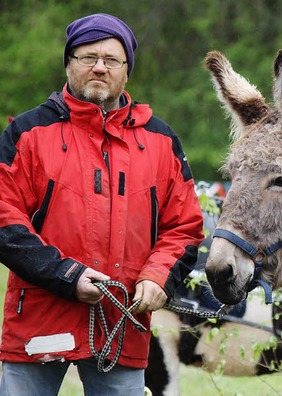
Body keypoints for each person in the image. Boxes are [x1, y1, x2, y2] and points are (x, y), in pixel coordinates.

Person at [0, 13, 204, 396]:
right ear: (68, 64)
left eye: (111, 59)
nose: (99, 67)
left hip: (122, 324)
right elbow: (4, 218)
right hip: (39, 323)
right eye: (87, 57)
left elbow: (185, 227)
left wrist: (158, 276)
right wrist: (66, 275)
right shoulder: (27, 134)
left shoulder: (161, 141)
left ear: (126, 71)